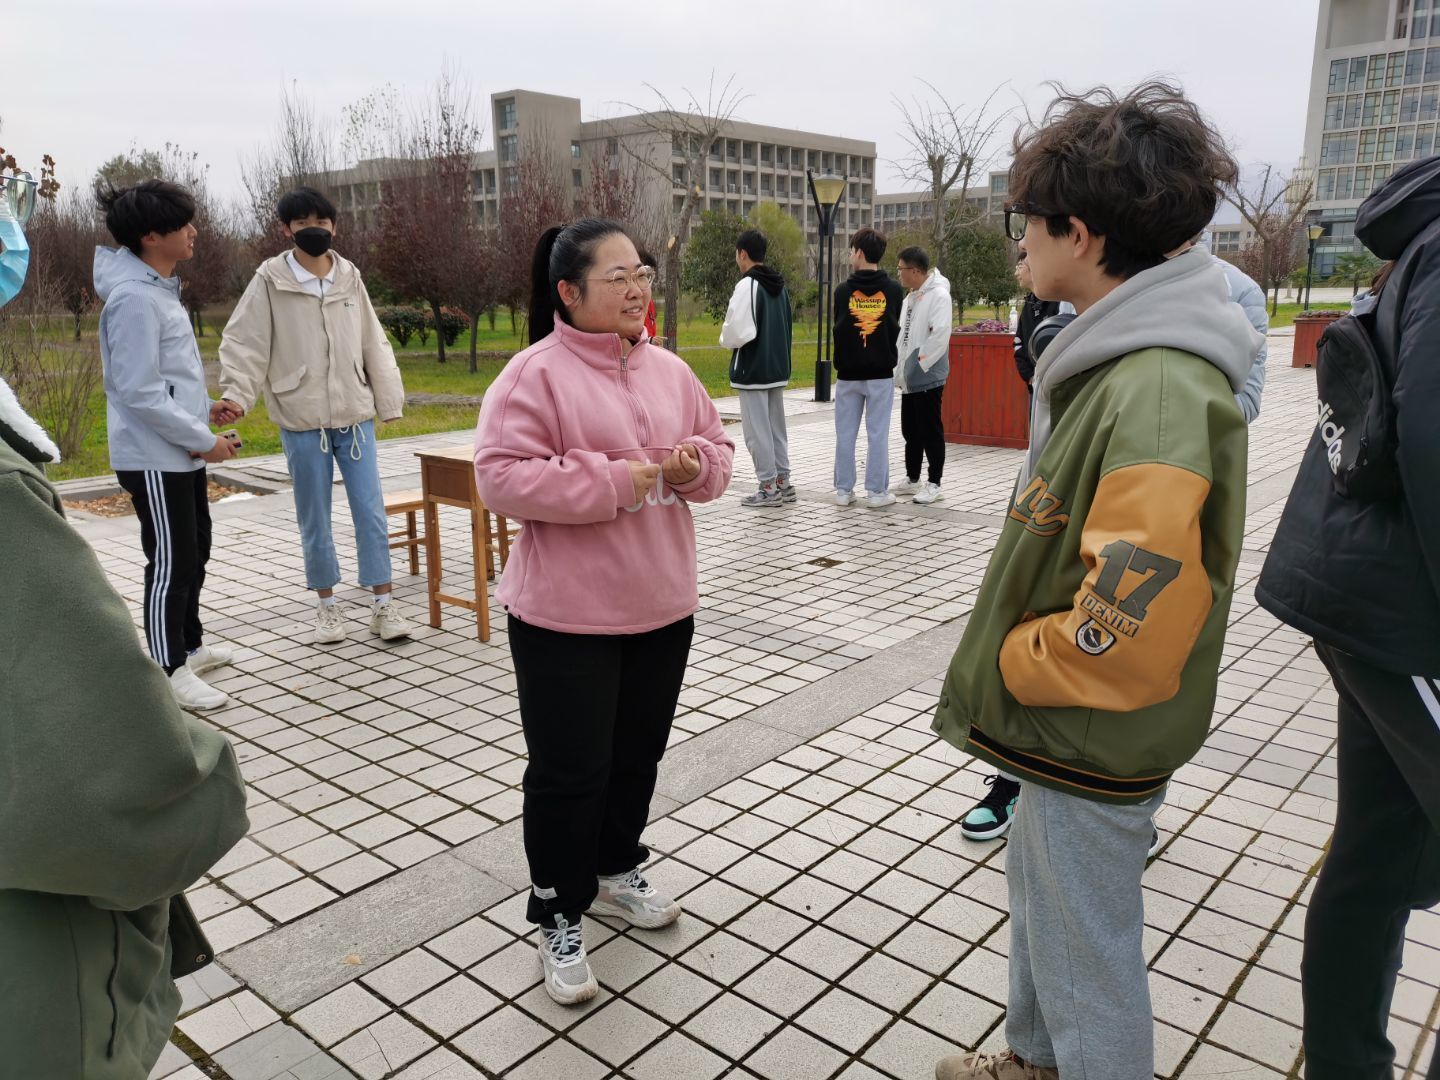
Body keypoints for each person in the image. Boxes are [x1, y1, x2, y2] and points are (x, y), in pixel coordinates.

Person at [930, 82, 1261, 1080]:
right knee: (1049, 917)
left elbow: (1132, 613)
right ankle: (1033, 1062)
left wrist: (1023, 660)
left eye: (1022, 222)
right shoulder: (1123, 360)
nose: (1015, 242)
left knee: (1089, 963)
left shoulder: (1153, 386)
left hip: (1084, 722)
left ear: (1077, 232)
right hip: (1068, 729)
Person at [474, 218, 734, 1006]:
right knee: (568, 774)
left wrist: (691, 471)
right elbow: (502, 479)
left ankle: (618, 867)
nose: (636, 288)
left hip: (661, 604)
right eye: (617, 276)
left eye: (641, 272)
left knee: (636, 756)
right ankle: (557, 907)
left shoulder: (670, 371)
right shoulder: (534, 375)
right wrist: (620, 479)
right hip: (565, 618)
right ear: (568, 291)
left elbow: (718, 456)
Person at [0, 372, 249, 1079]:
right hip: (36, 976)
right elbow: (110, 780)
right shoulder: (4, 492)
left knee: (189, 560)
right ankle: (175, 661)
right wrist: (202, 786)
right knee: (170, 564)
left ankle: (185, 650)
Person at [1256, 154, 1440, 1080]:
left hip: (1374, 601)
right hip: (1406, 615)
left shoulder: (1424, 247)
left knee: (1375, 850)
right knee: (1372, 856)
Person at [215, 187, 412, 646]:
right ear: (286, 229)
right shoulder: (269, 280)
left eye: (322, 222)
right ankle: (327, 608)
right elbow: (246, 343)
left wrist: (389, 401)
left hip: (353, 415)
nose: (314, 230)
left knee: (370, 510)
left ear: (334, 227)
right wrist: (237, 396)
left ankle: (383, 604)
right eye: (303, 222)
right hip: (302, 418)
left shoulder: (349, 277)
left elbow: (373, 341)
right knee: (314, 516)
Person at [94, 180, 239, 711]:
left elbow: (165, 379)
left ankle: (189, 646)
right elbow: (137, 389)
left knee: (194, 547)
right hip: (154, 457)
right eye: (184, 225)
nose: (194, 232)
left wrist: (204, 415)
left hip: (177, 450)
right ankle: (166, 667)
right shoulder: (134, 299)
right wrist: (204, 440)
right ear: (152, 235)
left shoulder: (156, 290)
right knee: (172, 559)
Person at [720, 228, 794, 507]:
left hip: (752, 368)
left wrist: (724, 339)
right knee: (776, 428)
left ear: (743, 254)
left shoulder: (747, 285)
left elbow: (736, 330)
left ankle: (767, 489)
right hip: (777, 366)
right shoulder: (779, 284)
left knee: (756, 432)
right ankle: (783, 482)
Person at [832, 226, 904, 508]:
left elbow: (839, 329)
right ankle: (876, 493)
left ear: (859, 253)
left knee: (845, 434)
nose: (851, 256)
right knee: (878, 434)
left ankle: (843, 490)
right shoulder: (894, 290)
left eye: (852, 251)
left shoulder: (842, 291)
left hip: (848, 374)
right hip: (880, 374)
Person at [892, 246, 952, 505]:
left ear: (915, 270)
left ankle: (934, 483)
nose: (899, 274)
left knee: (930, 431)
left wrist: (920, 363)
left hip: (927, 375)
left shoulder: (938, 296)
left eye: (901, 269)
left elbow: (940, 334)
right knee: (910, 430)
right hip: (910, 377)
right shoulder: (911, 297)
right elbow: (902, 337)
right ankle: (912, 477)